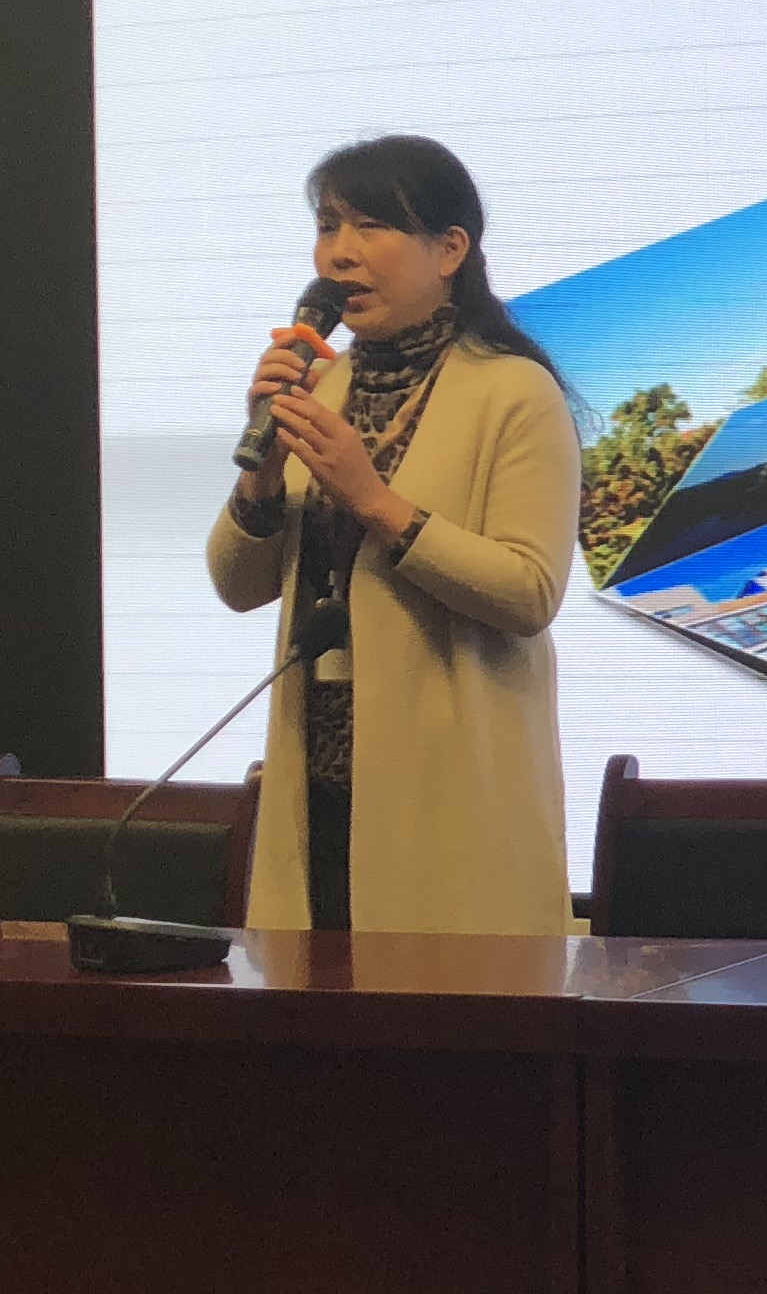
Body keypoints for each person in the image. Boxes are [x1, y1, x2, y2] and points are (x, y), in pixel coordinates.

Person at [207, 136, 583, 933]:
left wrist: (376, 502)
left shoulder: (514, 392)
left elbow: (530, 593)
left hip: (450, 795)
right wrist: (260, 477)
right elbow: (237, 586)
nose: (339, 254)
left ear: (450, 250)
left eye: (371, 226)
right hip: (319, 786)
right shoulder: (317, 387)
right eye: (327, 227)